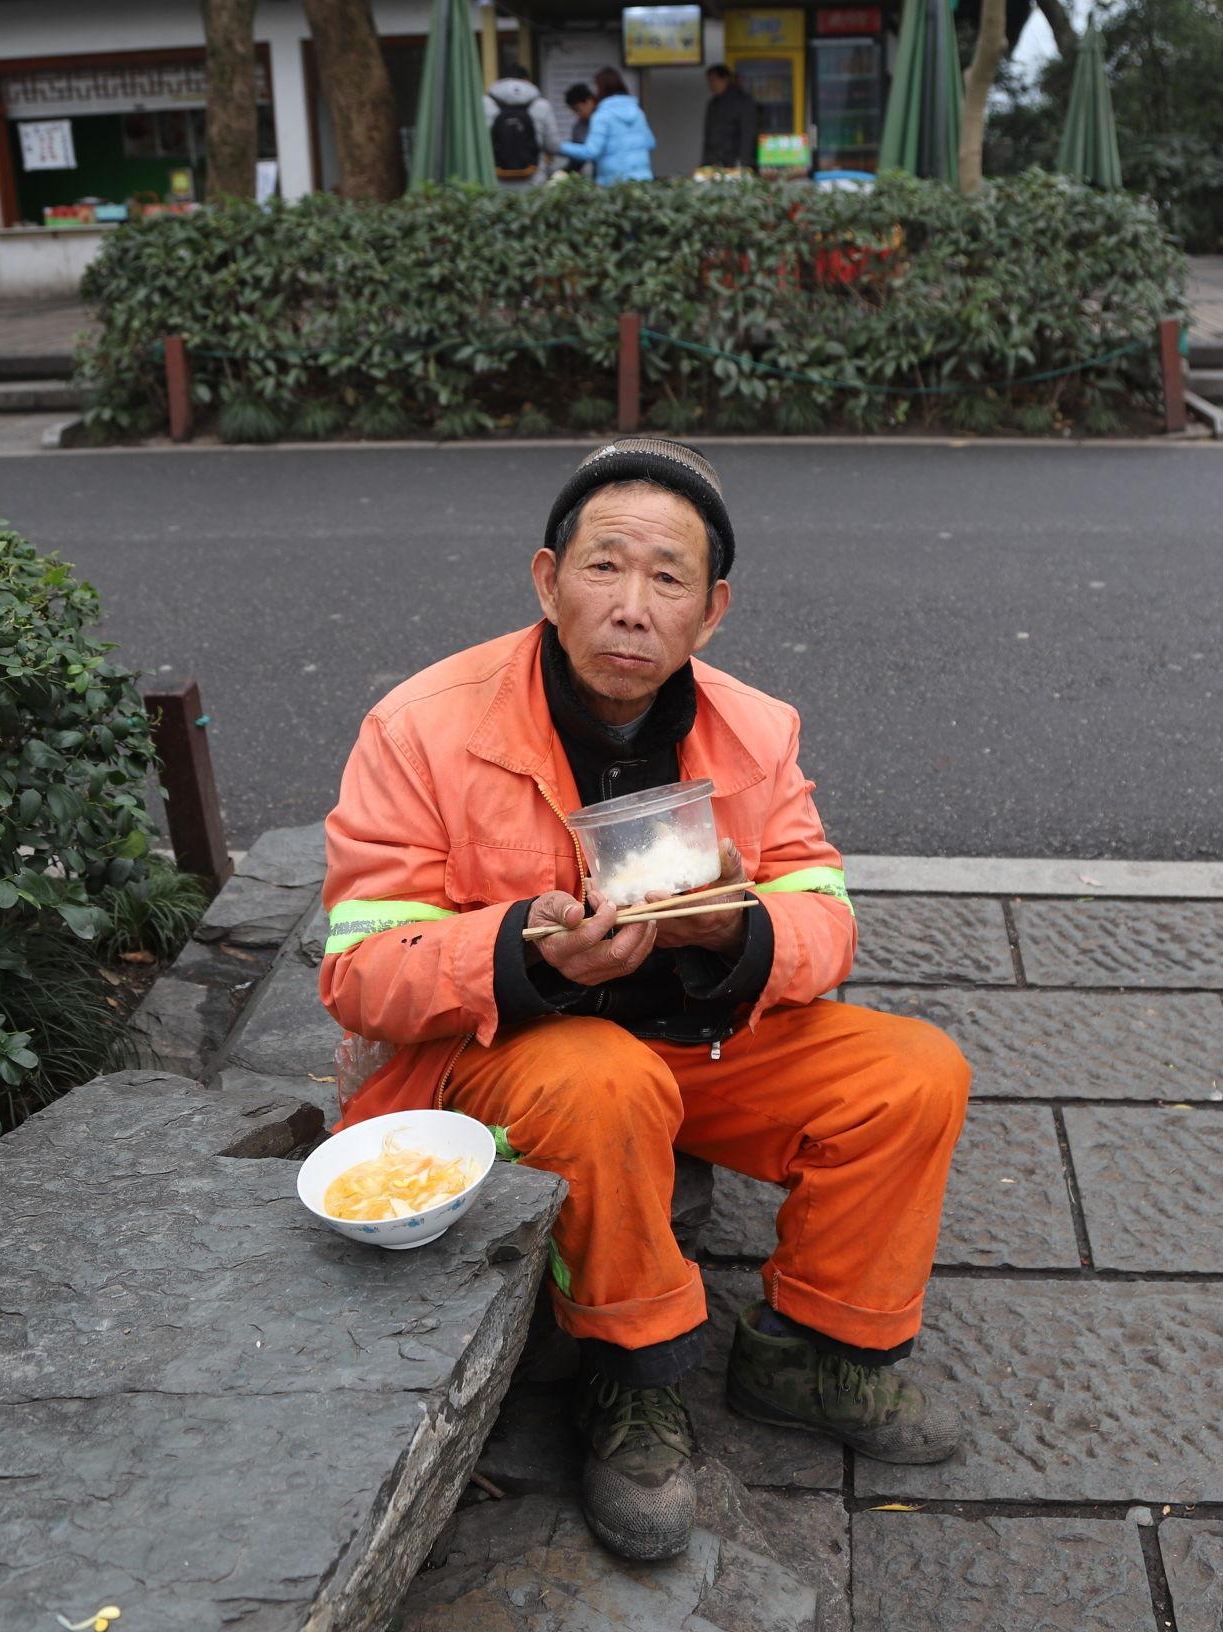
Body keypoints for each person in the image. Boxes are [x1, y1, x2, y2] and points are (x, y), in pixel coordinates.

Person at [320, 438, 971, 1563]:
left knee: (913, 1075)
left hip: (701, 1040)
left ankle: (812, 1355)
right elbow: (361, 968)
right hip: (513, 1048)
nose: (631, 607)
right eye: (603, 568)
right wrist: (522, 950)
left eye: (666, 579)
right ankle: (631, 1384)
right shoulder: (422, 724)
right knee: (602, 1080)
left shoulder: (756, 729)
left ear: (710, 611)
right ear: (544, 579)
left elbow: (824, 916)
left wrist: (733, 924)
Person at [553, 68, 657, 184]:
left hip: (615, 182)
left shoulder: (602, 116)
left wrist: (558, 146)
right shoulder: (637, 112)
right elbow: (651, 142)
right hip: (642, 180)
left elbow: (591, 151)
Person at [484, 59, 558, 189]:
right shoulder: (541, 105)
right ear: (526, 80)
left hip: (495, 184)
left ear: (501, 80)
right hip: (533, 184)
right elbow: (553, 146)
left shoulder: (484, 104)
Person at [700, 63, 760, 172]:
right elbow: (708, 135)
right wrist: (705, 163)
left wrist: (743, 162)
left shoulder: (743, 101)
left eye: (714, 80)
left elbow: (748, 134)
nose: (711, 84)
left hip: (735, 161)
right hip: (714, 162)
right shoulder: (713, 104)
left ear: (725, 79)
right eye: (709, 81)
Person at [561, 83, 598, 180]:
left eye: (578, 109)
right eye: (574, 110)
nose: (577, 114)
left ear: (589, 101)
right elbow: (576, 161)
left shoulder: (604, 120)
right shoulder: (578, 127)